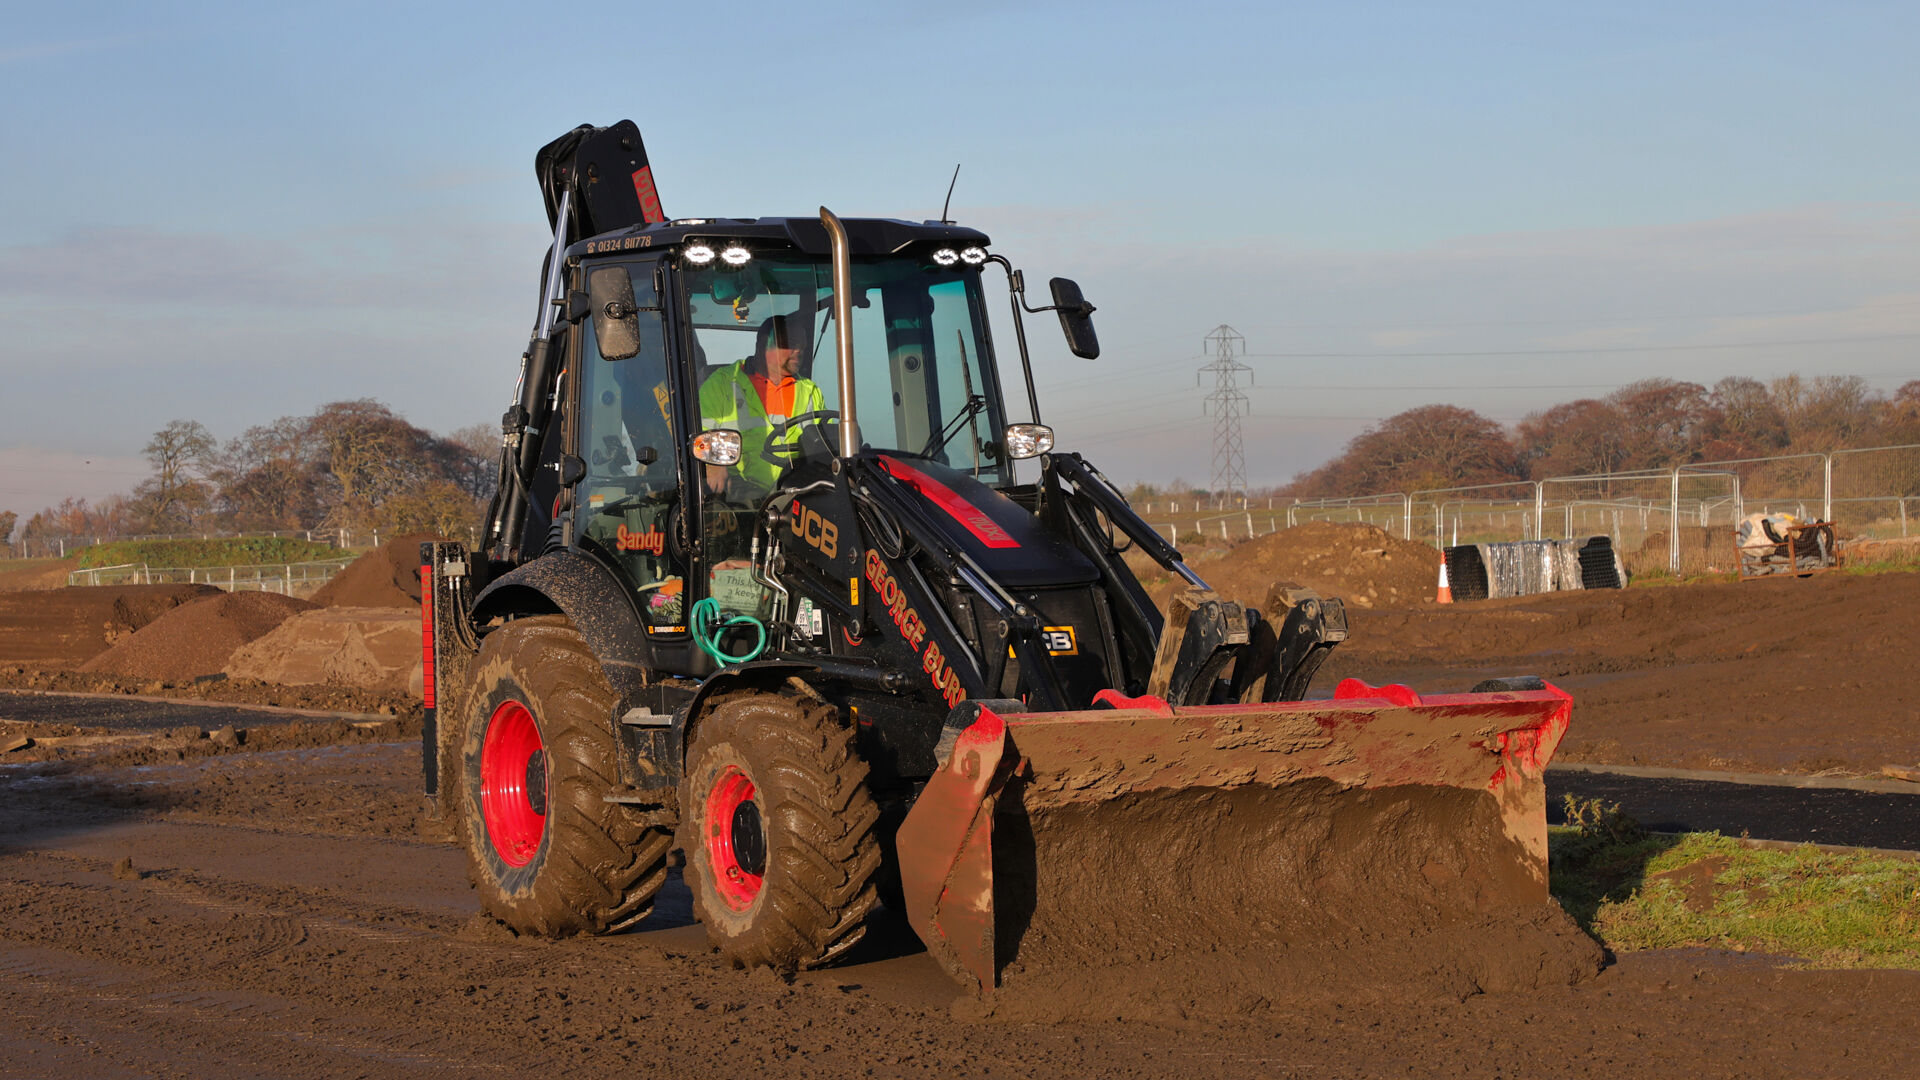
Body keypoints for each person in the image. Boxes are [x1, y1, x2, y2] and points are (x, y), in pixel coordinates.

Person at [698, 312, 825, 497]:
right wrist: (713, 464)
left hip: (795, 497)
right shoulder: (722, 383)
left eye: (802, 346)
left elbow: (823, 447)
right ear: (763, 344)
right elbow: (699, 432)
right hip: (737, 498)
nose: (798, 351)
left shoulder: (810, 392)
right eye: (790, 345)